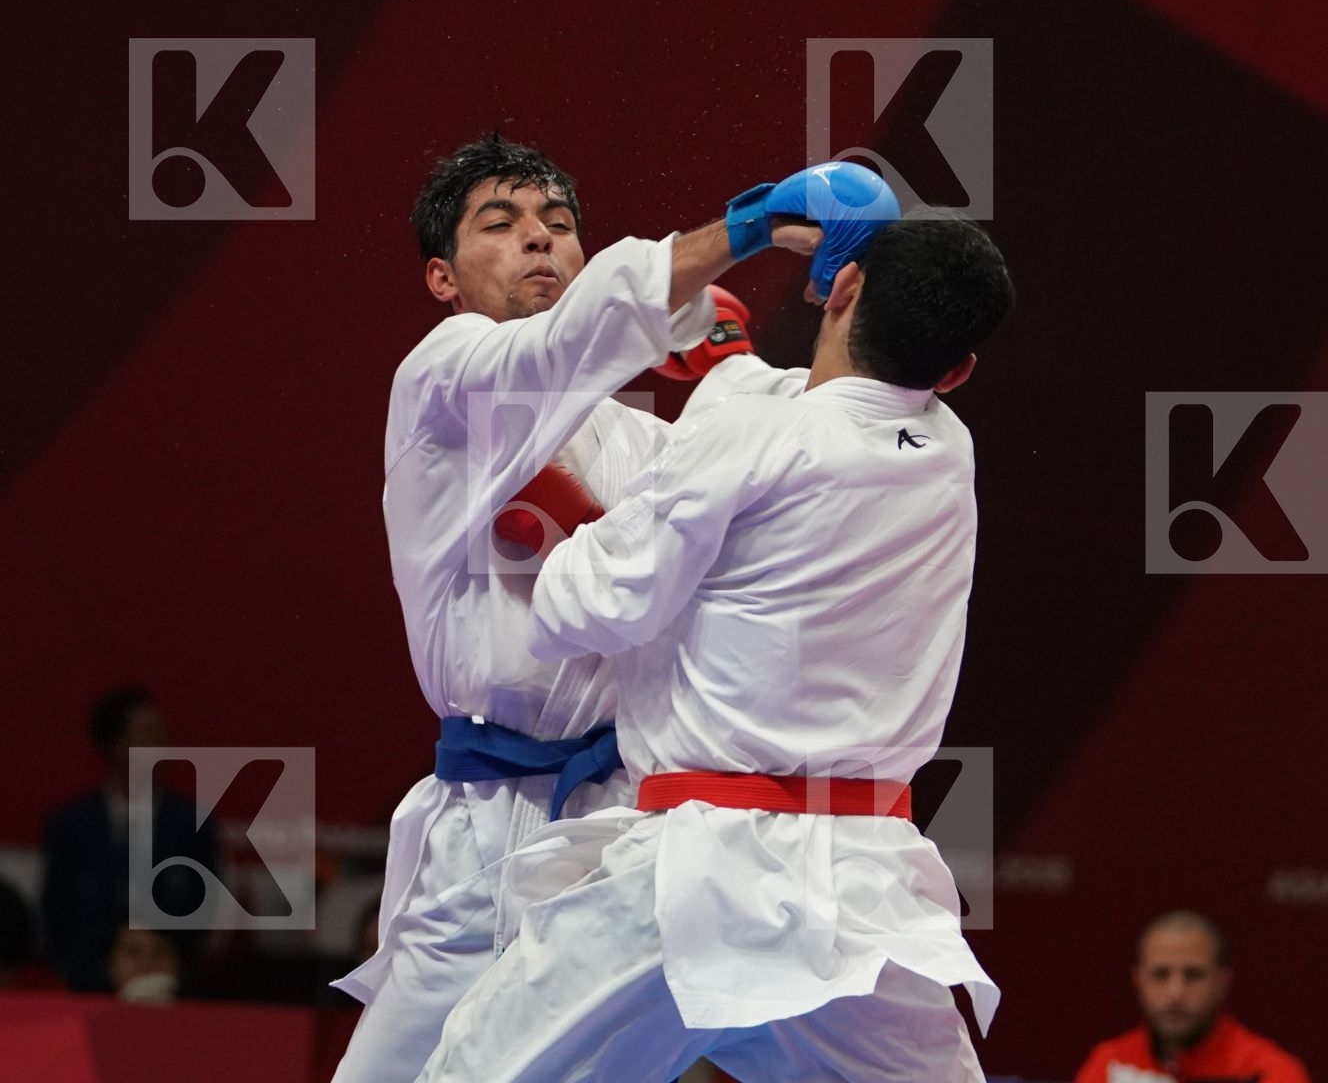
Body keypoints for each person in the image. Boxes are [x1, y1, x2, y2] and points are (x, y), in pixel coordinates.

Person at [330, 136, 882, 1083]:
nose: (539, 241)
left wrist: (740, 369)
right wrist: (742, 229)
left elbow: (783, 481)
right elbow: (563, 345)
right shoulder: (441, 384)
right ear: (442, 277)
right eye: (500, 227)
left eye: (559, 226)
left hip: (632, 825)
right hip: (482, 834)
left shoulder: (646, 441)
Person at [419, 208, 1014, 1082]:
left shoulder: (745, 438)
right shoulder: (946, 451)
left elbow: (584, 609)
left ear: (842, 288)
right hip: (865, 882)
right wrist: (729, 366)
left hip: (701, 873)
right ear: (957, 371)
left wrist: (561, 517)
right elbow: (825, 423)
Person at [41, 688, 216, 993]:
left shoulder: (192, 825)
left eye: (163, 734)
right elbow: (57, 913)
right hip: (86, 990)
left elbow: (203, 911)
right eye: (148, 734)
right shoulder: (70, 826)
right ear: (113, 744)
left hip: (170, 992)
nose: (161, 745)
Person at [1075, 911, 1309, 1083]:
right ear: (1138, 980)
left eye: (1193, 975)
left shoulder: (1267, 1072)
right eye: (1160, 975)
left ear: (1222, 982)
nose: (1175, 993)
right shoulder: (1109, 1063)